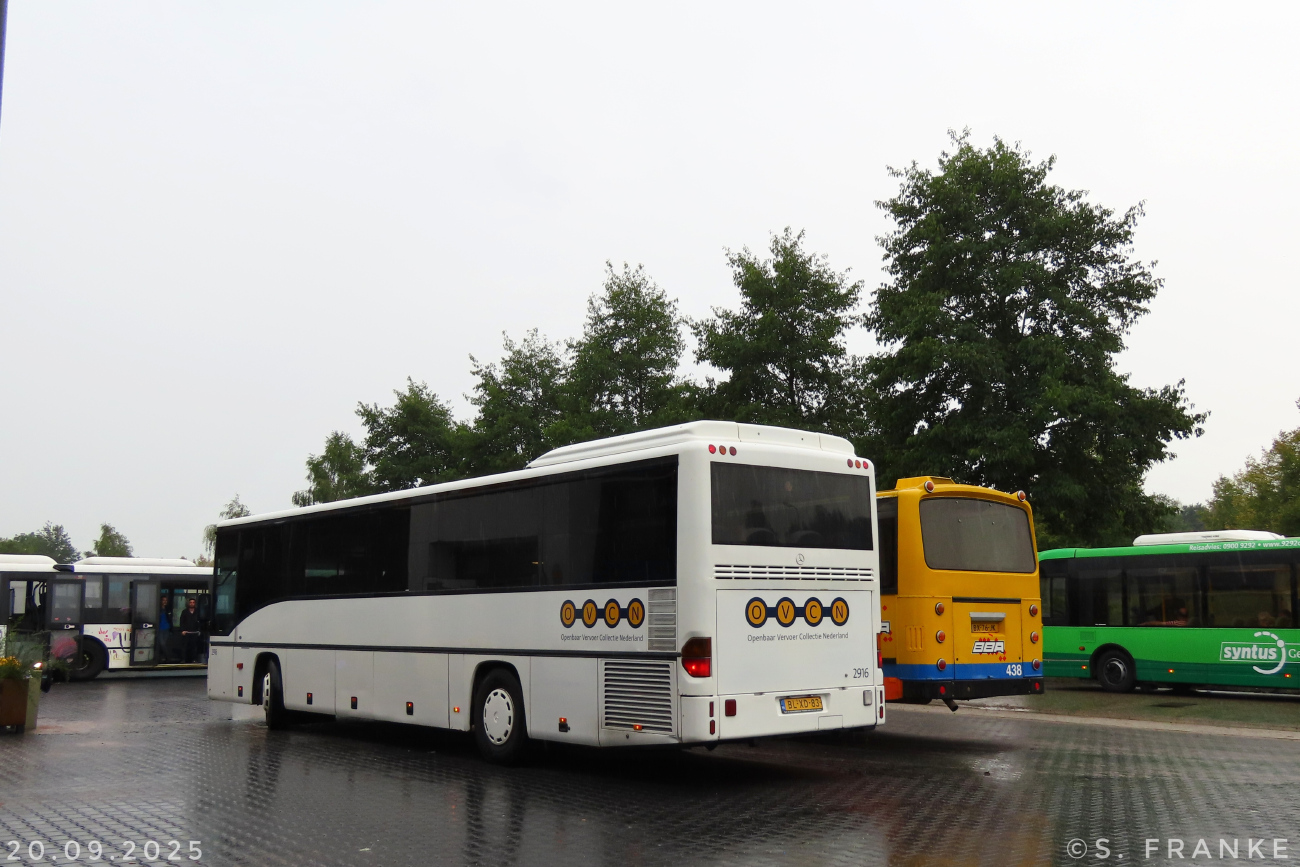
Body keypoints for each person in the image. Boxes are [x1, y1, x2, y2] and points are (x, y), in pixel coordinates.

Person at [178, 597, 202, 663]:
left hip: (195, 632)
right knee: (185, 647)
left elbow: (200, 621)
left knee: (194, 647)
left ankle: (194, 659)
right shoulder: (184, 612)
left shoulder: (198, 612)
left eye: (193, 602)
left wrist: (199, 630)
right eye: (190, 602)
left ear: (195, 603)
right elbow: (181, 622)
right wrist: (182, 630)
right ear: (188, 603)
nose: (192, 604)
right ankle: (183, 659)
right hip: (186, 632)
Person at [157, 594, 173, 662]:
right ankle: (168, 658)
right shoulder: (158, 609)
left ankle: (161, 657)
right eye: (163, 600)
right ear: (161, 601)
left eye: (166, 600)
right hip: (160, 629)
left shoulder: (168, 609)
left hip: (167, 628)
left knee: (164, 644)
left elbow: (170, 619)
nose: (165, 602)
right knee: (162, 643)